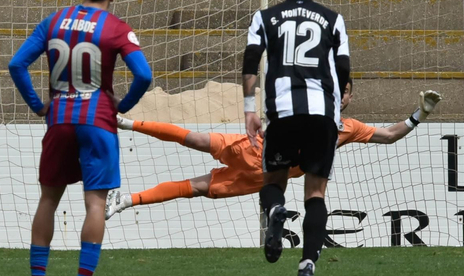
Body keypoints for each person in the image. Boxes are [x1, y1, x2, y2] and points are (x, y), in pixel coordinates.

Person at [8, 0, 152, 276]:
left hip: (59, 117)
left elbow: (17, 64)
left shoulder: (53, 21)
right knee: (95, 204)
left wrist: (37, 105)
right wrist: (122, 105)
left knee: (48, 199)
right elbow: (144, 75)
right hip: (97, 120)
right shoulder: (116, 27)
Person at [108, 89, 442, 217]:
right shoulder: (306, 109)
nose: (339, 97)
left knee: (193, 188)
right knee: (193, 139)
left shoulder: (349, 127)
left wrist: (420, 114)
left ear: (349, 98)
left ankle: (125, 201)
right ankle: (127, 123)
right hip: (254, 150)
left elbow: (390, 136)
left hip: (263, 176)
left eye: (344, 93)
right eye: (334, 90)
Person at [241, 0, 349, 276]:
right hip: (322, 113)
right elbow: (343, 65)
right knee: (315, 193)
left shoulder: (265, 17)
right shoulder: (333, 19)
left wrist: (249, 109)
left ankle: (275, 210)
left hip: (283, 110)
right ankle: (308, 264)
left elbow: (249, 61)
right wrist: (344, 95)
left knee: (273, 181)